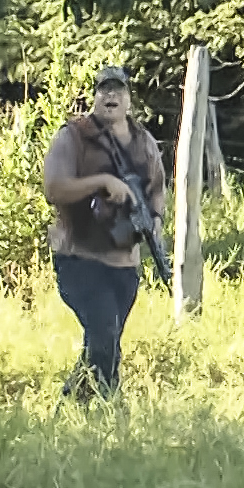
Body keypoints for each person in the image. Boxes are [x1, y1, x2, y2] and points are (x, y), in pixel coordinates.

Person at [43, 66, 167, 401]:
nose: (110, 96)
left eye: (118, 90)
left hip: (124, 265)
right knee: (104, 335)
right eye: (104, 90)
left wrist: (153, 221)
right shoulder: (73, 136)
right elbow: (54, 188)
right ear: (94, 97)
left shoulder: (144, 142)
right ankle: (112, 410)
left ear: (129, 99)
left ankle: (73, 410)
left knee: (104, 344)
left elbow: (157, 193)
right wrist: (102, 183)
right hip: (79, 258)